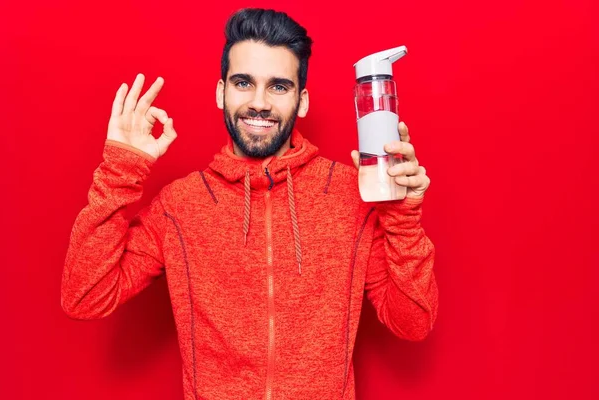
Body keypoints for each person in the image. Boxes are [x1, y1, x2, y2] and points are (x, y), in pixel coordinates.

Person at [61, 7, 438, 400]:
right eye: (243, 83)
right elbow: (85, 296)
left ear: (302, 101)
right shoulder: (180, 206)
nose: (259, 103)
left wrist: (403, 218)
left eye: (278, 86)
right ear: (221, 92)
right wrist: (121, 170)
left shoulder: (348, 193)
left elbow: (413, 322)